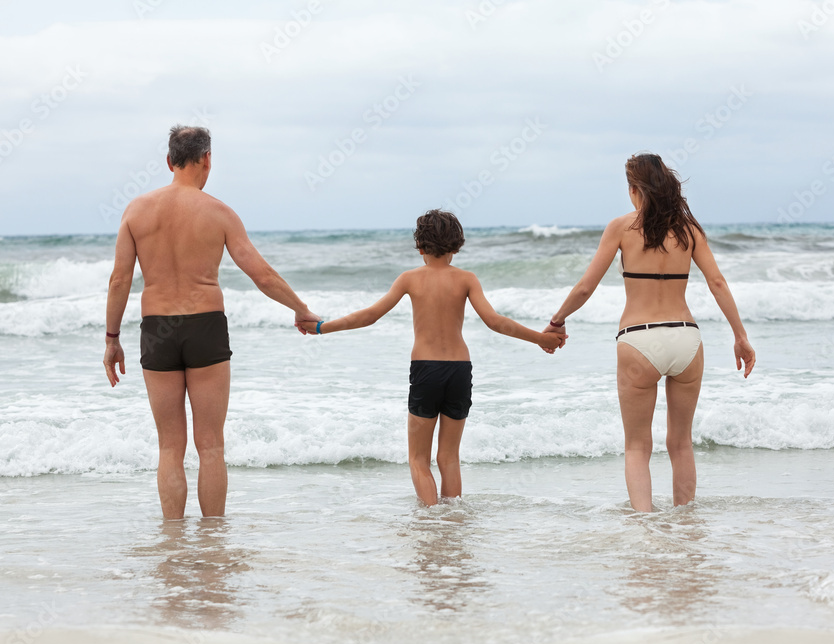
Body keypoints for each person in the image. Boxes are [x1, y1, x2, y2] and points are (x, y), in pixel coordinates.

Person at [103, 125, 319, 519]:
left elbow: (119, 280)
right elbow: (262, 275)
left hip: (157, 330)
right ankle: (213, 541)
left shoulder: (136, 211)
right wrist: (300, 309)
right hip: (204, 326)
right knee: (211, 445)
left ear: (169, 161)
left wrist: (111, 338)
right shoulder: (219, 212)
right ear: (206, 159)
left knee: (170, 446)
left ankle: (173, 540)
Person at [297, 209, 567, 506]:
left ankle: (431, 523)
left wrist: (322, 327)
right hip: (460, 371)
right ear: (456, 246)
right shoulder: (467, 279)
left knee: (418, 459)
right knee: (449, 456)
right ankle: (451, 521)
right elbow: (495, 321)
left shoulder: (409, 279)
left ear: (420, 247)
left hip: (426, 370)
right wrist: (541, 338)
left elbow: (370, 316)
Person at [543, 153, 755, 512]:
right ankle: (685, 523)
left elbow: (585, 287)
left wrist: (557, 320)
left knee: (637, 447)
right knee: (681, 443)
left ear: (635, 190)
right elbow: (717, 282)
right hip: (686, 338)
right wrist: (740, 336)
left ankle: (645, 526)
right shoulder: (690, 230)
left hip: (638, 339)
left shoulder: (621, 228)